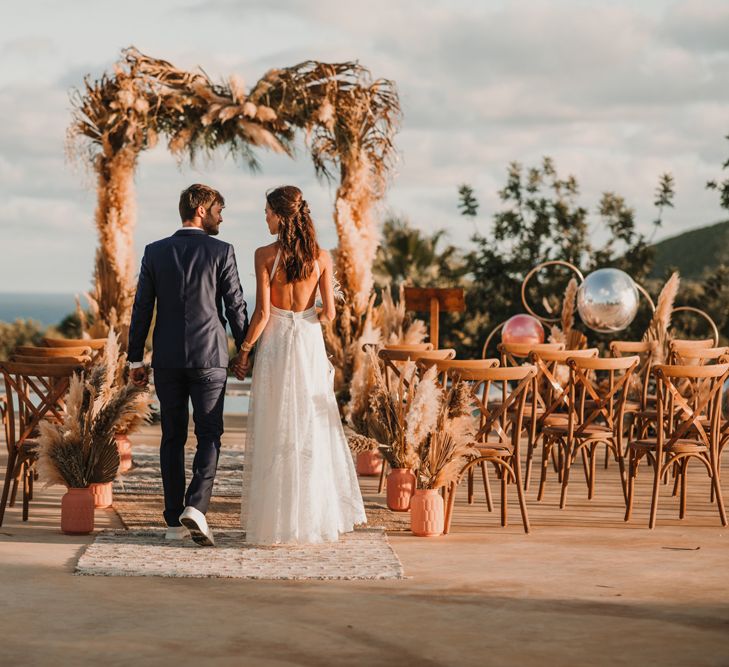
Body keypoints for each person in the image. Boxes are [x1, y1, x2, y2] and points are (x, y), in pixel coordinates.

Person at [234, 185, 366, 545]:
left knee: (276, 423)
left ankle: (277, 521)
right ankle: (313, 519)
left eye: (267, 212)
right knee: (309, 425)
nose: (265, 218)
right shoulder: (321, 257)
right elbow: (331, 313)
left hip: (277, 343)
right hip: (307, 342)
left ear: (280, 215)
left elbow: (262, 314)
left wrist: (244, 351)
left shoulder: (263, 254)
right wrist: (307, 319)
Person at [128, 184, 249, 547]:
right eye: (218, 210)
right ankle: (196, 507)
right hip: (210, 358)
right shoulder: (222, 252)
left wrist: (136, 358)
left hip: (167, 360)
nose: (221, 217)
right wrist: (245, 352)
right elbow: (236, 307)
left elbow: (142, 309)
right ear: (200, 210)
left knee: (172, 437)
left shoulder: (155, 252)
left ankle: (171, 521)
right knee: (209, 433)